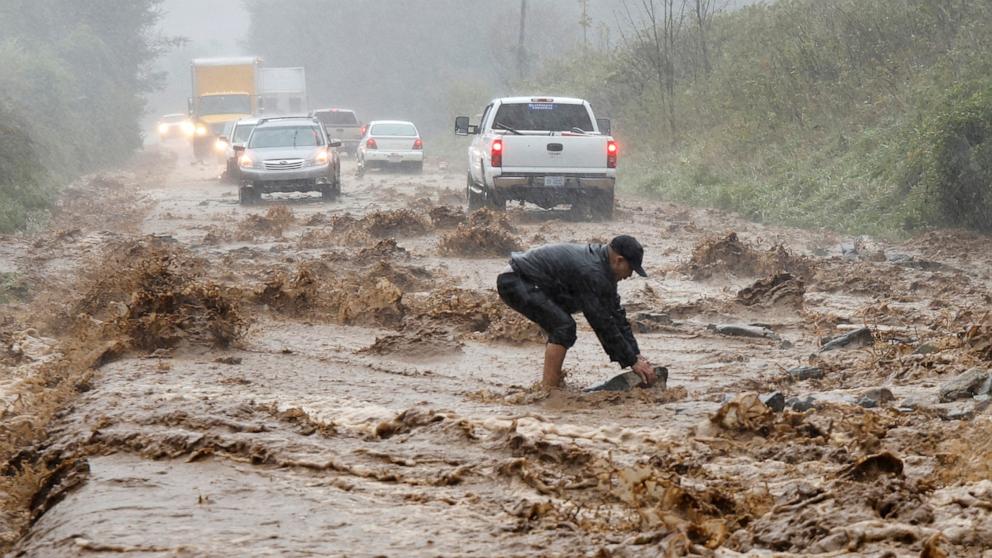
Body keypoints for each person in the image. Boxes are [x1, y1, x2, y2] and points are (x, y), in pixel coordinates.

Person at [496, 235, 657, 389]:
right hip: (515, 280)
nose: (630, 275)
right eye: (631, 269)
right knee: (564, 327)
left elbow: (617, 316)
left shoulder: (604, 271)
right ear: (619, 260)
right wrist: (631, 361)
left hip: (533, 282)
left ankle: (551, 384)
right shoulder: (591, 272)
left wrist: (636, 355)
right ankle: (548, 390)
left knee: (561, 326)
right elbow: (601, 323)